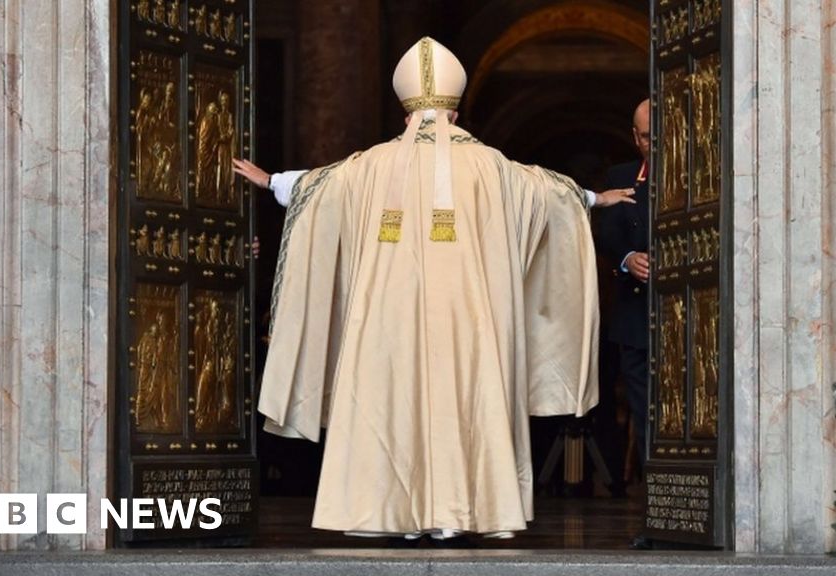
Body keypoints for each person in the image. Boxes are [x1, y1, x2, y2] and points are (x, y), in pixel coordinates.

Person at [234, 37, 634, 540]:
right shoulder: (492, 165)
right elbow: (551, 193)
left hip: (386, 324)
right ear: (457, 110)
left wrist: (272, 180)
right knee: (464, 398)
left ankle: (382, 513)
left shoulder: (367, 165)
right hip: (469, 321)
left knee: (389, 399)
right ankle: (458, 513)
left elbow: (316, 187)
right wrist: (595, 196)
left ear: (405, 114)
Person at [597, 99, 651, 544]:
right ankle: (659, 513)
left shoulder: (704, 168)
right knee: (645, 412)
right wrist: (626, 259)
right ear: (635, 137)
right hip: (636, 318)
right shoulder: (620, 178)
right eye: (648, 136)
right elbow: (606, 237)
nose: (656, 143)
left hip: (694, 318)